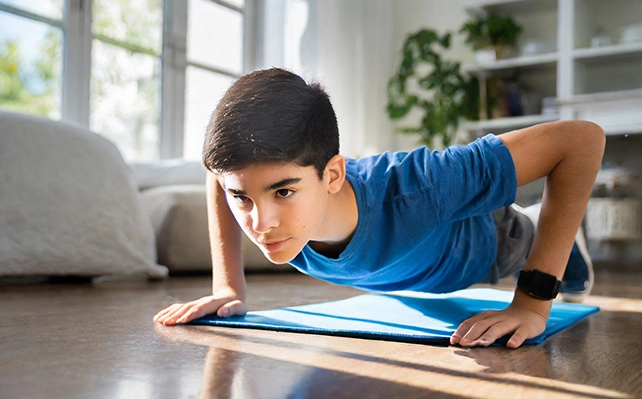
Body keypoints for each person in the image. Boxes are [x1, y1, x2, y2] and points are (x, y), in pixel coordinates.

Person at [154, 68, 606, 349]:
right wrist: (228, 286)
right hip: (408, 275)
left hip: (495, 245)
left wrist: (533, 301)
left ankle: (550, 236)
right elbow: (219, 174)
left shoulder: (422, 184)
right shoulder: (258, 197)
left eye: (284, 192)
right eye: (243, 198)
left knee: (525, 234)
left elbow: (581, 140)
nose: (261, 223)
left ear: (332, 175)